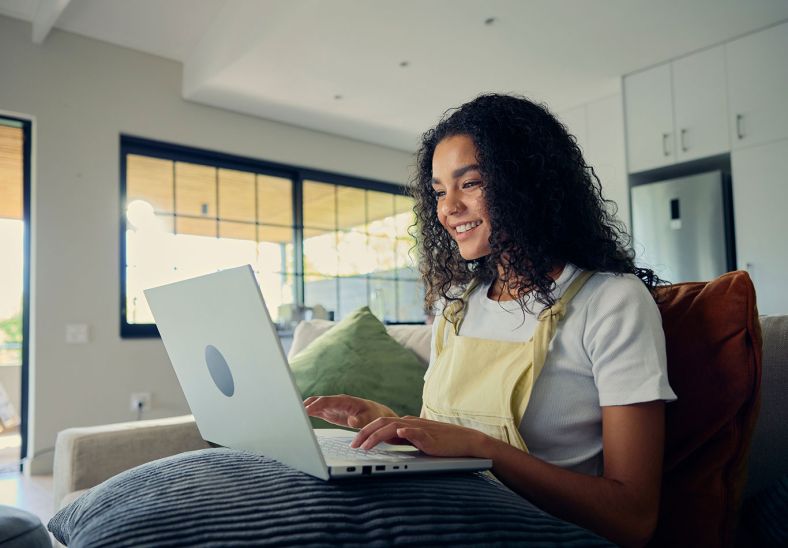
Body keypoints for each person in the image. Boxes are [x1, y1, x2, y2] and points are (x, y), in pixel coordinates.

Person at [304, 94, 676, 546]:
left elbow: (633, 519)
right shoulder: (457, 303)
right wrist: (393, 424)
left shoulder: (612, 302)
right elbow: (447, 444)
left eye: (471, 183)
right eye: (439, 191)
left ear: (528, 183)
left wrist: (485, 451)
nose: (447, 208)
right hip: (440, 514)